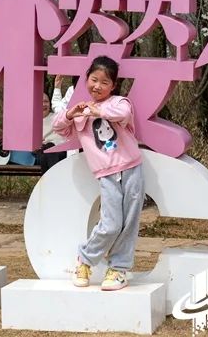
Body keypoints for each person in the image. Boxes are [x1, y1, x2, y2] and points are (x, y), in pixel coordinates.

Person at [52, 56, 144, 291]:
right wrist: (70, 114)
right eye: (94, 80)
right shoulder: (80, 112)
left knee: (129, 223)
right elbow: (58, 127)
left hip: (131, 168)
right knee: (111, 224)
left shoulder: (119, 103)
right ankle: (84, 260)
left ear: (113, 85)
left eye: (105, 82)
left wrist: (99, 111)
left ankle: (118, 269)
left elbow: (123, 113)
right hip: (106, 175)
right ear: (86, 80)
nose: (98, 86)